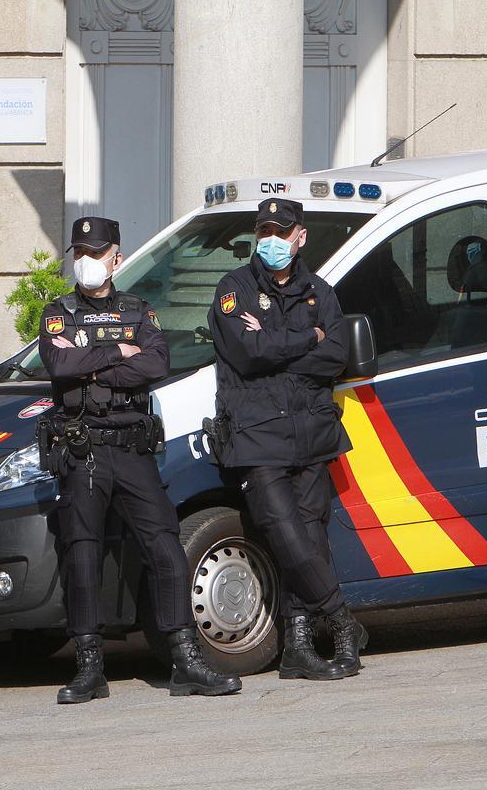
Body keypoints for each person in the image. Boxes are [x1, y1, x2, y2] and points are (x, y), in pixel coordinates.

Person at [38, 216, 241, 704]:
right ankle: (89, 666)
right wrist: (119, 352)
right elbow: (59, 364)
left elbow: (156, 363)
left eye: (97, 252)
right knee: (82, 552)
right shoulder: (58, 312)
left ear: (117, 259)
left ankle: (185, 658)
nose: (87, 260)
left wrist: (94, 352)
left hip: (131, 446)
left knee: (166, 547)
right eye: (80, 251)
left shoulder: (137, 309)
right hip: (83, 448)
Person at [207, 198, 365, 680]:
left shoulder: (321, 292)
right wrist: (306, 338)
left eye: (282, 230)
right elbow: (247, 352)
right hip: (258, 434)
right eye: (265, 231)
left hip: (310, 432)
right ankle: (341, 618)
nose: (272, 239)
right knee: (283, 530)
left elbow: (335, 355)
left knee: (313, 531)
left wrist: (283, 342)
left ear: (301, 237)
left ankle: (298, 642)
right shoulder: (234, 289)